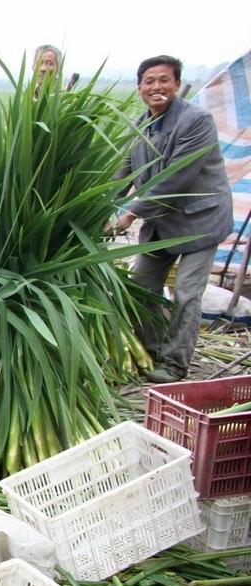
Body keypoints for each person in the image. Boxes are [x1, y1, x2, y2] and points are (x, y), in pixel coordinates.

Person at [111, 55, 232, 383]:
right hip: (162, 223)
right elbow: (123, 174)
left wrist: (130, 214)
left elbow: (175, 178)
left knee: (186, 293)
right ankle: (152, 352)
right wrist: (96, 209)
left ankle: (176, 365)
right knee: (142, 288)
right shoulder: (140, 125)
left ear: (177, 84)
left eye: (164, 80)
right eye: (149, 81)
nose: (156, 87)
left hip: (200, 222)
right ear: (139, 88)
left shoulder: (197, 121)